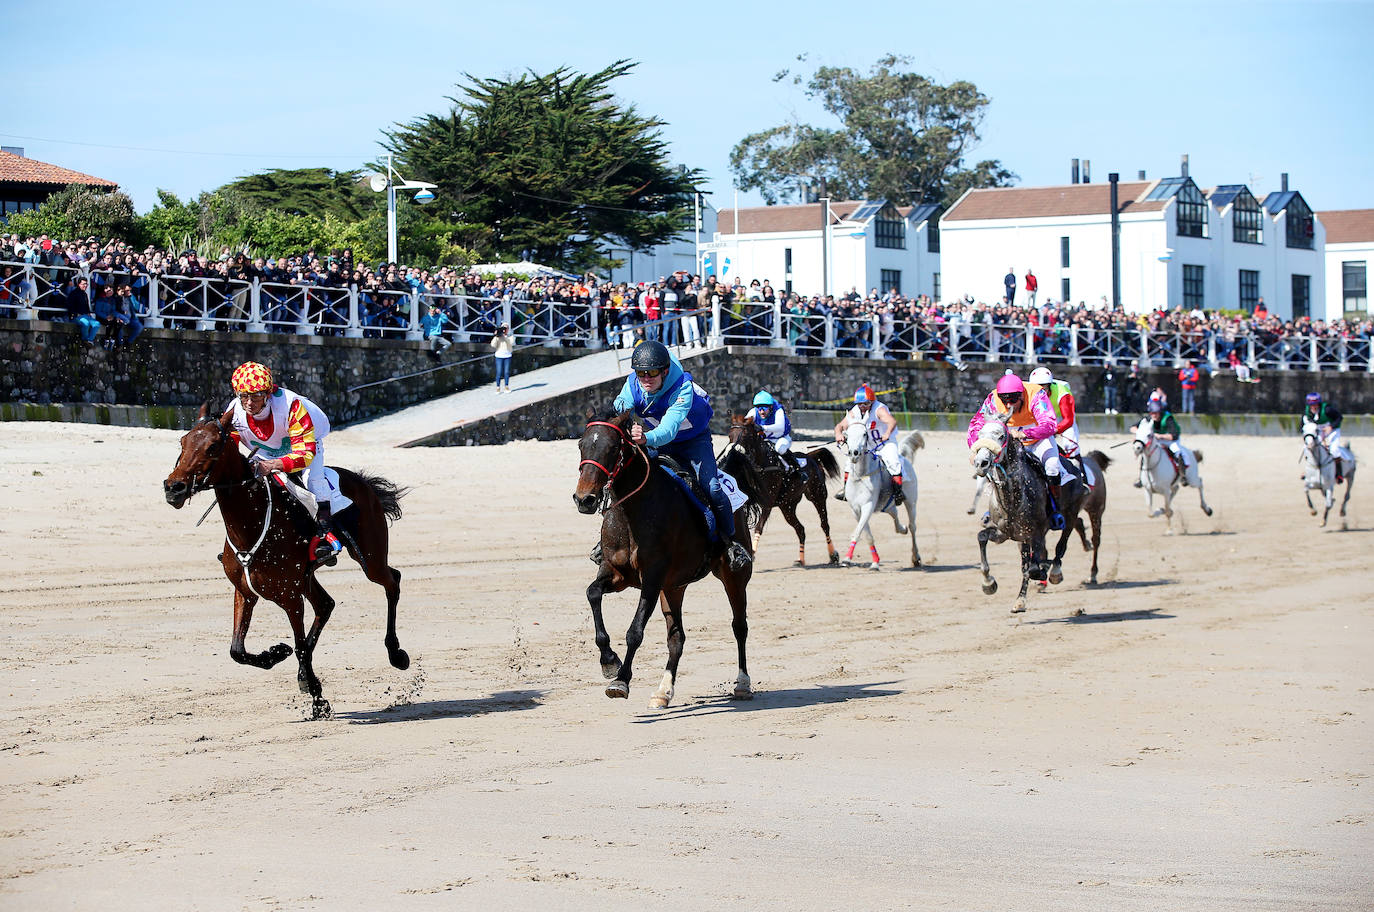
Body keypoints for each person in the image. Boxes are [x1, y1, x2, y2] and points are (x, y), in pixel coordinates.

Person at [606, 340, 750, 570]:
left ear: (664, 371)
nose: (645, 379)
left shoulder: (682, 386)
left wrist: (645, 438)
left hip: (692, 441)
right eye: (641, 373)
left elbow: (669, 429)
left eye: (652, 373)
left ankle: (730, 543)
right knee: (627, 475)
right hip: (656, 437)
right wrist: (623, 415)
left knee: (712, 486)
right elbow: (621, 405)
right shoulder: (634, 382)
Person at [225, 362, 342, 565]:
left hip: (305, 446)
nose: (249, 403)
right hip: (264, 451)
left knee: (312, 479)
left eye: (256, 396)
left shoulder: (292, 406)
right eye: (243, 396)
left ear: (268, 394)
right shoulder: (235, 411)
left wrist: (272, 466)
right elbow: (230, 447)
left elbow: (305, 454)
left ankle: (325, 534)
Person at [967, 372, 1065, 529]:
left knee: (1052, 465)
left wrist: (1025, 434)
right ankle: (993, 509)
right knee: (992, 463)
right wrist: (975, 447)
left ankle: (1055, 509)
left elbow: (1050, 425)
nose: (1008, 405)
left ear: (1022, 395)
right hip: (1010, 438)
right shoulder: (992, 399)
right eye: (1004, 400)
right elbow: (976, 423)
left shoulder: (1036, 394)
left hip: (1038, 438)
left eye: (1013, 400)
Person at [833, 384, 905, 505]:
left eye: (865, 403)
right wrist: (838, 434)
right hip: (869, 445)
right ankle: (846, 490)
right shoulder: (855, 411)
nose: (862, 407)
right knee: (849, 463)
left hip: (885, 443)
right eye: (859, 404)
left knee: (893, 463)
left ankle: (898, 493)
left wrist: (887, 433)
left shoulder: (879, 410)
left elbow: (892, 421)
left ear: (871, 402)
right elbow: (840, 426)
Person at [1028, 367, 1083, 490]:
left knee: (1070, 445)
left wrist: (1053, 431)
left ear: (1050, 385)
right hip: (1041, 418)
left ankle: (1083, 480)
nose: (1040, 391)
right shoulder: (1028, 392)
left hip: (1060, 418)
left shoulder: (1062, 393)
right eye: (1037, 387)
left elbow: (1068, 420)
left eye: (1044, 387)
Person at [1132, 399, 1195, 486]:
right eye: (1152, 413)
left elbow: (1174, 435)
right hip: (1157, 441)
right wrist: (1141, 433)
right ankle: (1141, 478)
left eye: (1156, 413)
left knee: (1178, 453)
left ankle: (1182, 476)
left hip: (1171, 441)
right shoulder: (1149, 418)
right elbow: (1133, 428)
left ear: (1160, 412)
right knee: (1145, 453)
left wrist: (1160, 436)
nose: (1153, 415)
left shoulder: (1168, 418)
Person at [746, 390, 799, 476]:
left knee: (780, 449)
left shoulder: (778, 411)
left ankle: (797, 468)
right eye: (759, 408)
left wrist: (763, 427)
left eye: (765, 408)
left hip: (781, 439)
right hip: (765, 440)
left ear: (771, 407)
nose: (762, 412)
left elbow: (780, 427)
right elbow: (745, 423)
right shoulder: (753, 412)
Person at [1302, 392, 1351, 483]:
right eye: (1311, 405)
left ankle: (1338, 474)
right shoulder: (1307, 412)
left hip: (1332, 430)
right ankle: (1309, 471)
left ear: (1319, 404)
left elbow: (1339, 417)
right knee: (1309, 448)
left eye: (1315, 405)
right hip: (1319, 431)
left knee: (1334, 451)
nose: (1313, 407)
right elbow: (1304, 426)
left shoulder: (1327, 410)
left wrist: (1331, 427)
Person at [491, 323, 514, 393]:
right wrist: (496, 336)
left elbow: (511, 343)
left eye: (506, 328)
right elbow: (493, 345)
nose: (505, 330)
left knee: (506, 372)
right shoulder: (498, 336)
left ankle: (506, 386)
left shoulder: (510, 336)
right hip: (499, 355)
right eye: (503, 328)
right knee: (499, 372)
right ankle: (498, 387)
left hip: (507, 355)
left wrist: (505, 337)